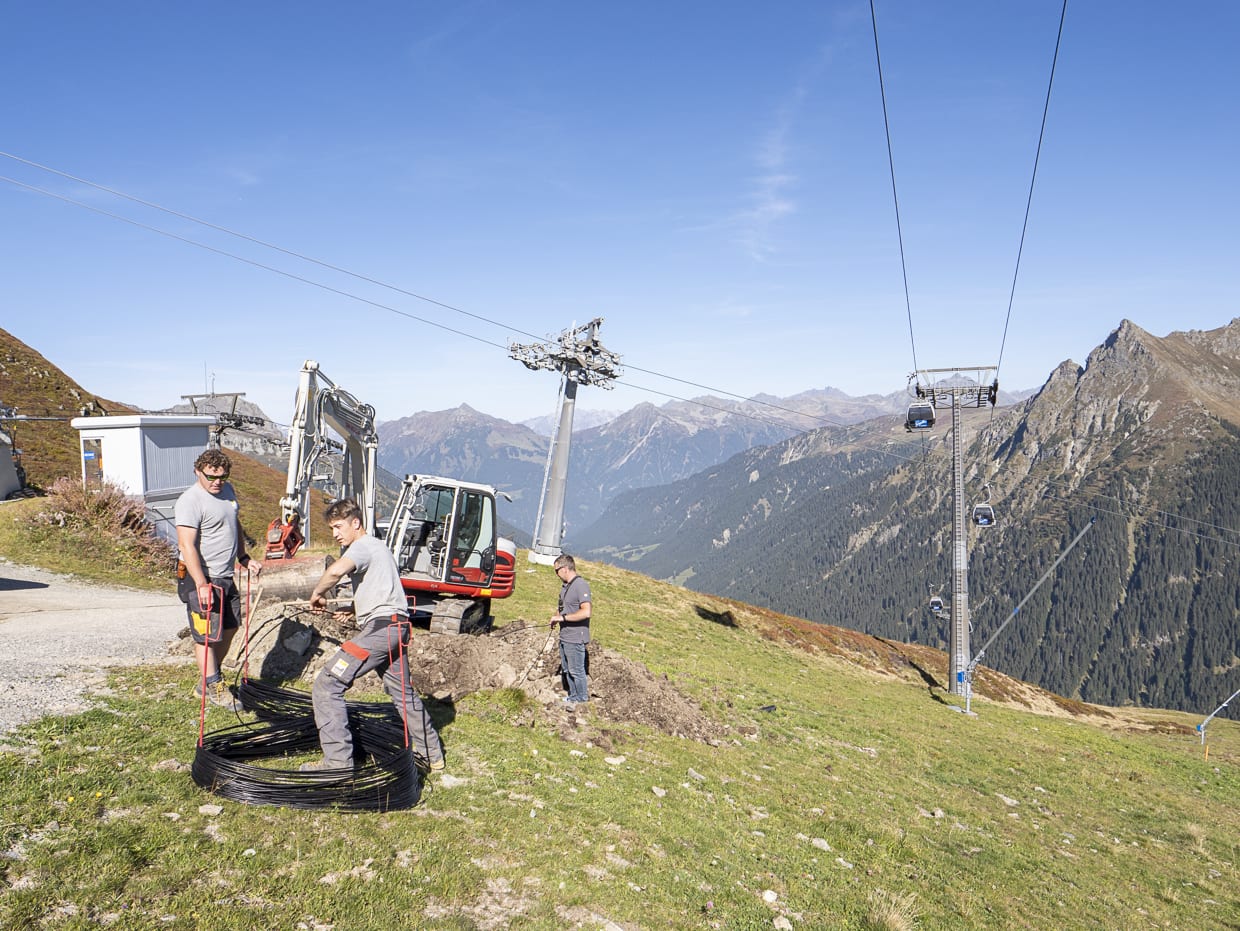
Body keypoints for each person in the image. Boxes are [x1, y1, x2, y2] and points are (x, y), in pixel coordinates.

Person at [305, 498, 445, 773]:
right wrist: (353, 608)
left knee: (327, 685)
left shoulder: (363, 546)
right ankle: (432, 756)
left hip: (381, 631)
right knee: (403, 694)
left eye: (338, 526)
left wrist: (317, 594)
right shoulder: (379, 548)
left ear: (356, 523)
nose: (335, 534)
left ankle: (337, 764)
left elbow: (335, 571)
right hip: (395, 628)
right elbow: (383, 591)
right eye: (332, 528)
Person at [175, 448, 262, 711]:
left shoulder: (227, 491)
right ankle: (215, 686)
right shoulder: (189, 501)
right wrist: (201, 584)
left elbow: (233, 523)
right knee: (206, 635)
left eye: (222, 477)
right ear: (197, 472)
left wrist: (243, 557)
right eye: (211, 476)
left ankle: (209, 679)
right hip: (201, 576)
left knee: (231, 627)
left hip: (225, 574)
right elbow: (186, 545)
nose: (217, 482)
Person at [550, 553, 592, 705]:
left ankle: (581, 700)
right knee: (567, 669)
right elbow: (563, 607)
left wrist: (563, 618)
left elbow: (586, 612)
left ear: (565, 568)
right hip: (565, 636)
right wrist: (556, 617)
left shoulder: (580, 585)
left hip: (575, 637)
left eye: (557, 571)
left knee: (576, 671)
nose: (556, 574)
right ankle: (573, 697)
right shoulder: (566, 587)